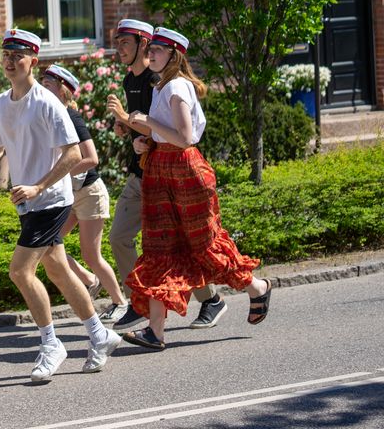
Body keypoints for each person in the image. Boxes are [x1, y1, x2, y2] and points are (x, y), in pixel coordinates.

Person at [0, 29, 120, 382]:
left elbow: (75, 154)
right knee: (59, 271)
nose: (10, 61)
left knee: (20, 272)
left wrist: (38, 186)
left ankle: (51, 344)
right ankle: (99, 334)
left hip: (51, 200)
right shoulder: (2, 103)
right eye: (6, 55)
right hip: (29, 204)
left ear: (33, 61)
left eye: (18, 56)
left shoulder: (48, 102)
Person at [108, 27, 272, 351]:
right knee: (159, 249)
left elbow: (184, 138)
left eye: (156, 50)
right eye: (150, 49)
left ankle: (256, 287)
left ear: (173, 55)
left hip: (185, 172)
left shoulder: (178, 86)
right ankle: (156, 332)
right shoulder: (161, 87)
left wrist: (148, 124)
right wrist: (144, 140)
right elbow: (163, 133)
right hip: (160, 171)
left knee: (205, 246)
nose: (150, 54)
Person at [105, 18, 226, 332]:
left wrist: (129, 122)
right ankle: (145, 305)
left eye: (125, 42)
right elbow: (143, 126)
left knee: (174, 245)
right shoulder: (134, 80)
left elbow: (168, 131)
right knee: (128, 239)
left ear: (145, 46)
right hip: (143, 172)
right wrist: (126, 128)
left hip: (164, 174)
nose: (118, 48)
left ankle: (170, 305)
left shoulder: (157, 82)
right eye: (117, 42)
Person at [39, 64, 126, 318]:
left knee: (91, 254)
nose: (43, 89)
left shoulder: (71, 117)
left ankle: (120, 302)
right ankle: (90, 281)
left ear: (63, 90)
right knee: (49, 244)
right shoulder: (50, 117)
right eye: (42, 84)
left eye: (48, 85)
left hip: (89, 193)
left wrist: (58, 172)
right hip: (69, 194)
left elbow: (92, 158)